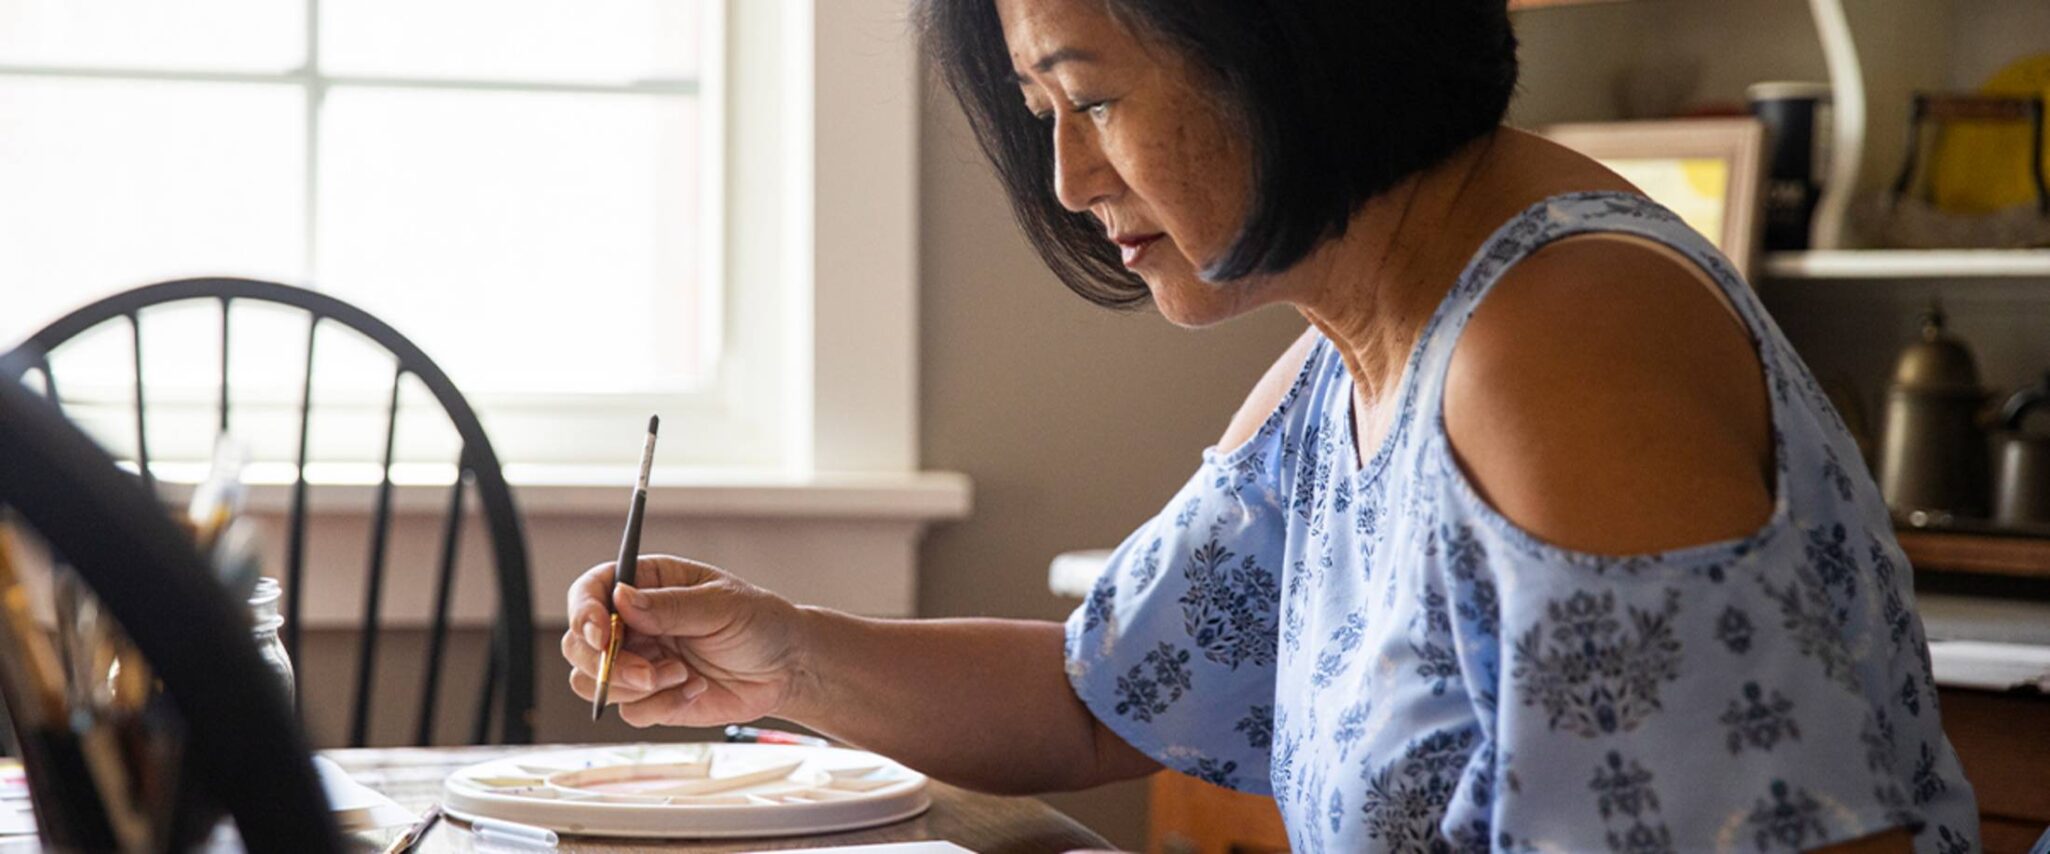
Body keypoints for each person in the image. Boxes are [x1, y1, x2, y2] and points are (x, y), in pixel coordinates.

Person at [562, 0, 1979, 850]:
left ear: (1282, 38)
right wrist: (779, 655)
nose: (1064, 175)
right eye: (1041, 107)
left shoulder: (1555, 346)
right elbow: (1098, 690)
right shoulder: (1360, 354)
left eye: (1091, 96)